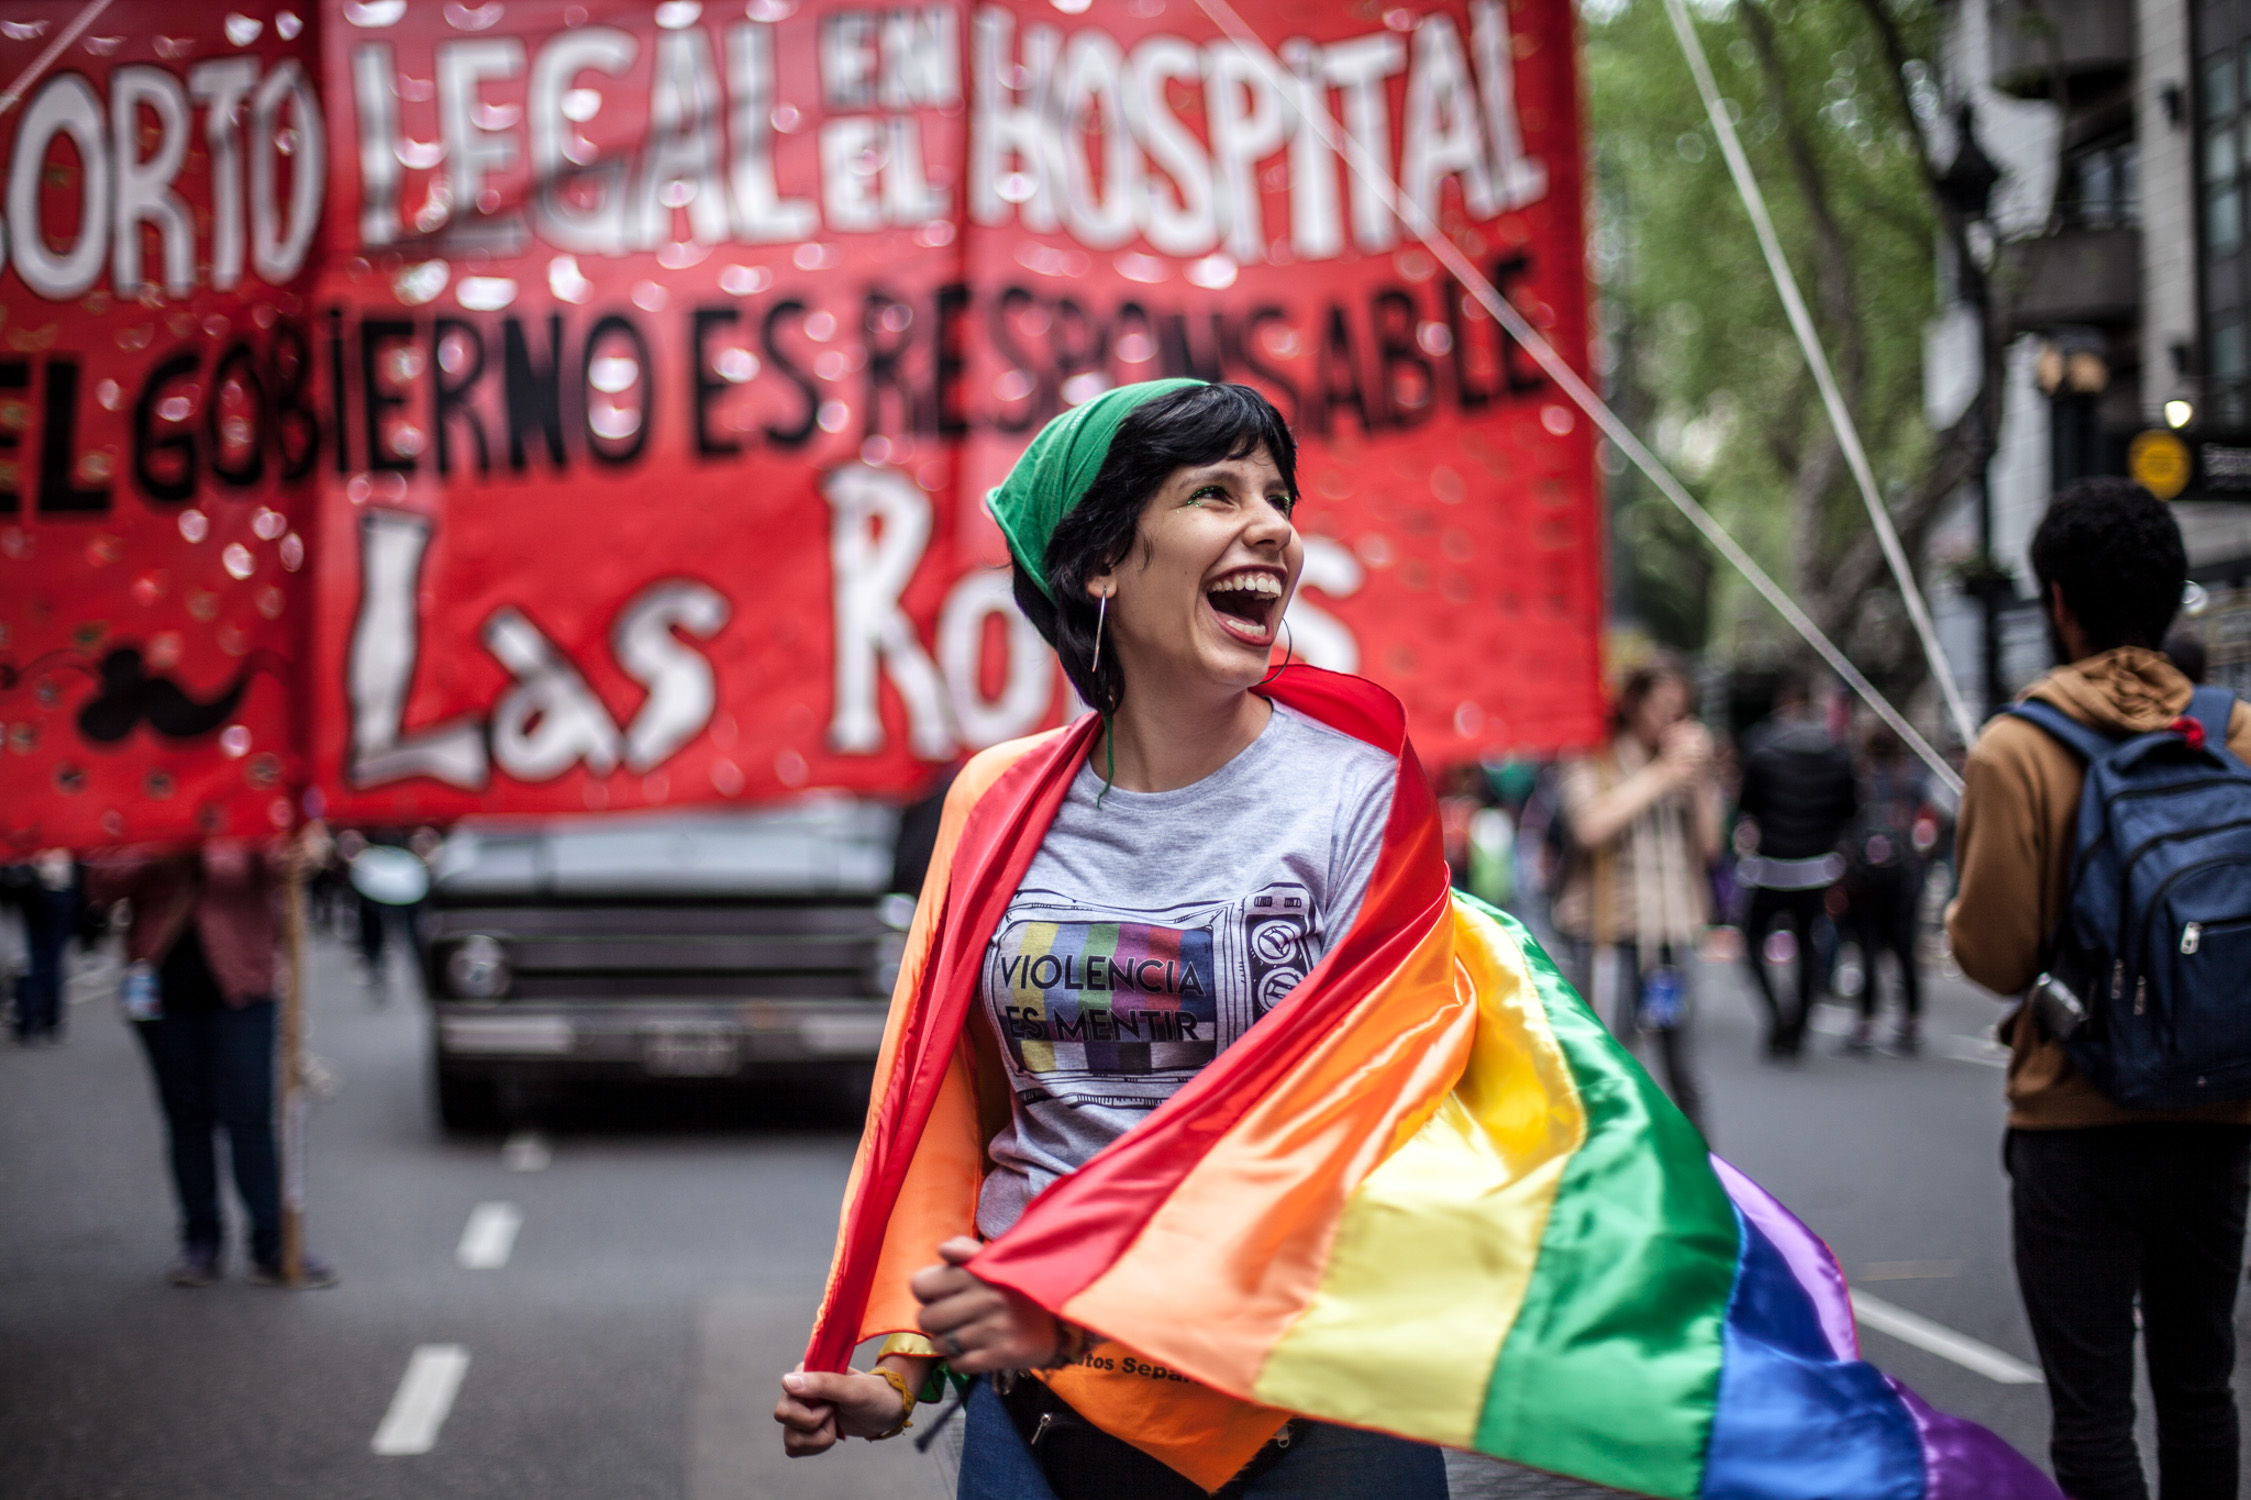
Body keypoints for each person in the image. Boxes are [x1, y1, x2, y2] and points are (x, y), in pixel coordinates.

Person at [773, 381, 1440, 1497]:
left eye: (1277, 496)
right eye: (1214, 493)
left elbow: (1365, 1120)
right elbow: (948, 1115)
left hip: (1312, 1414)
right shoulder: (994, 803)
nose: (1271, 526)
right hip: (1044, 1421)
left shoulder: (1359, 794)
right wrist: (904, 1370)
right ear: (1100, 564)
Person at [1948, 477, 2251, 1500]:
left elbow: (1994, 955)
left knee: (2091, 1413)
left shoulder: (2016, 748)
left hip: (2072, 1116)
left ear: (2059, 601)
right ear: (2171, 599)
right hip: (2216, 1105)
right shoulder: (2237, 731)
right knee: (2201, 1392)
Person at [87, 835, 336, 1289]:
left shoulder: (246, 792)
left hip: (244, 983)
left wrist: (300, 852)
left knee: (250, 1115)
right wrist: (158, 852)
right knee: (187, 1118)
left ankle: (272, 1243)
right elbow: (101, 881)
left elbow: (270, 864)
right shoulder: (140, 799)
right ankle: (200, 1241)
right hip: (161, 985)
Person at [1547, 658, 1719, 1135]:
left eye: (1680, 710)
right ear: (1633, 703)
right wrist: (1663, 773)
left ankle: (1703, 1179)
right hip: (1607, 932)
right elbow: (1589, 827)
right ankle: (1600, 1167)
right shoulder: (1594, 757)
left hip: (1673, 932)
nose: (1672, 719)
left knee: (1683, 1068)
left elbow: (1709, 846)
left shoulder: (1685, 766)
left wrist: (1699, 778)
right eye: (1662, 707)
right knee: (1605, 1063)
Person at [1734, 671, 1857, 1057]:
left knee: (1752, 942)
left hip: (1770, 866)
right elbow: (1850, 809)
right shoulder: (1838, 755)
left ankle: (1778, 1014)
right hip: (1817, 868)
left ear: (1782, 705)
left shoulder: (1762, 750)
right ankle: (1799, 1023)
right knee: (1809, 945)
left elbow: (1745, 805)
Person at [1840, 726, 1929, 1055]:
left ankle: (1865, 1022)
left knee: (1867, 950)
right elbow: (1932, 825)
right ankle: (1911, 1020)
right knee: (1905, 949)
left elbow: (1845, 825)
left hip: (1866, 879)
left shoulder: (1859, 780)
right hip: (1904, 878)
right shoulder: (1912, 779)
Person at [2, 849, 81, 1044]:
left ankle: (30, 1017)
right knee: (49, 959)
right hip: (54, 891)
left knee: (32, 959)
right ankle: (48, 1018)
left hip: (32, 890)